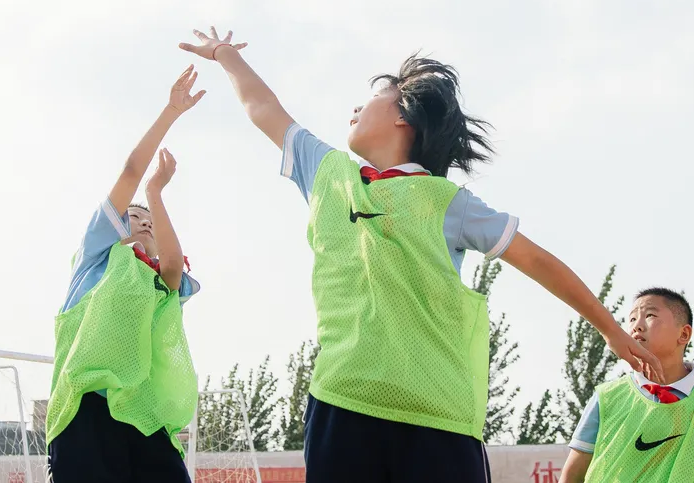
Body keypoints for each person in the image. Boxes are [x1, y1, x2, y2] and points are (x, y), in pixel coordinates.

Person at [181, 27, 663, 483]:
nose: (354, 106)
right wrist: (228, 56)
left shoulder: (446, 201)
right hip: (342, 401)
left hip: (434, 409)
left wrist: (610, 330)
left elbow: (537, 261)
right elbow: (263, 107)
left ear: (402, 116)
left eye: (372, 96)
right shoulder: (330, 175)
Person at [46, 66, 205, 483]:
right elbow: (132, 170)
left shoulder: (161, 281)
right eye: (134, 216)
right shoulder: (97, 257)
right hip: (88, 407)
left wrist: (155, 194)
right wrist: (171, 111)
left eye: (149, 219)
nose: (144, 221)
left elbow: (171, 265)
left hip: (144, 412)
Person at [558, 287, 694, 483]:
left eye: (650, 315)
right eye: (632, 319)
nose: (637, 326)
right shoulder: (607, 398)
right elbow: (572, 475)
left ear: (684, 334)